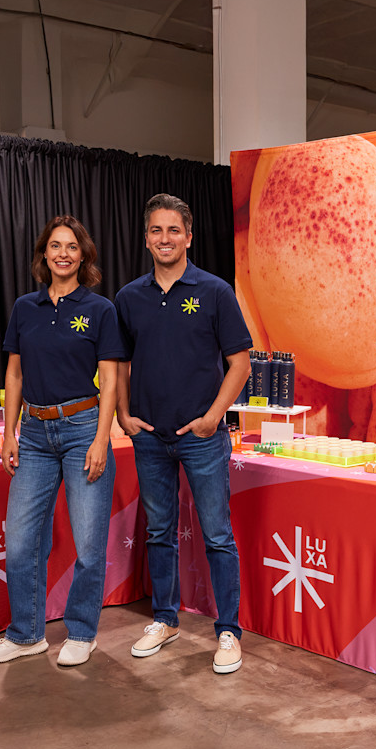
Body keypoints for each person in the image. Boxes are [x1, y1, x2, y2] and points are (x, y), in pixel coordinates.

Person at [115, 193, 251, 674]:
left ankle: (228, 631)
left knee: (217, 535)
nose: (165, 238)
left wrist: (214, 417)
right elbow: (118, 365)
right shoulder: (129, 298)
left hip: (202, 436)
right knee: (159, 532)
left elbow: (240, 363)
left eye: (174, 230)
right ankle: (165, 619)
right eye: (156, 230)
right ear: (146, 239)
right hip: (150, 437)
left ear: (189, 237)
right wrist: (124, 414)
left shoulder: (215, 292)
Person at [0, 215, 123, 667]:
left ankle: (82, 632)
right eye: (55, 246)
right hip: (36, 435)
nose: (63, 253)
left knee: (89, 545)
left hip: (83, 429)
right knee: (22, 542)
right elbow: (15, 375)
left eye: (72, 247)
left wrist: (101, 438)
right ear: (44, 253)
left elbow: (111, 379)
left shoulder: (100, 309)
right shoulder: (26, 307)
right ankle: (26, 635)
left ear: (84, 256)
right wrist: (10, 433)